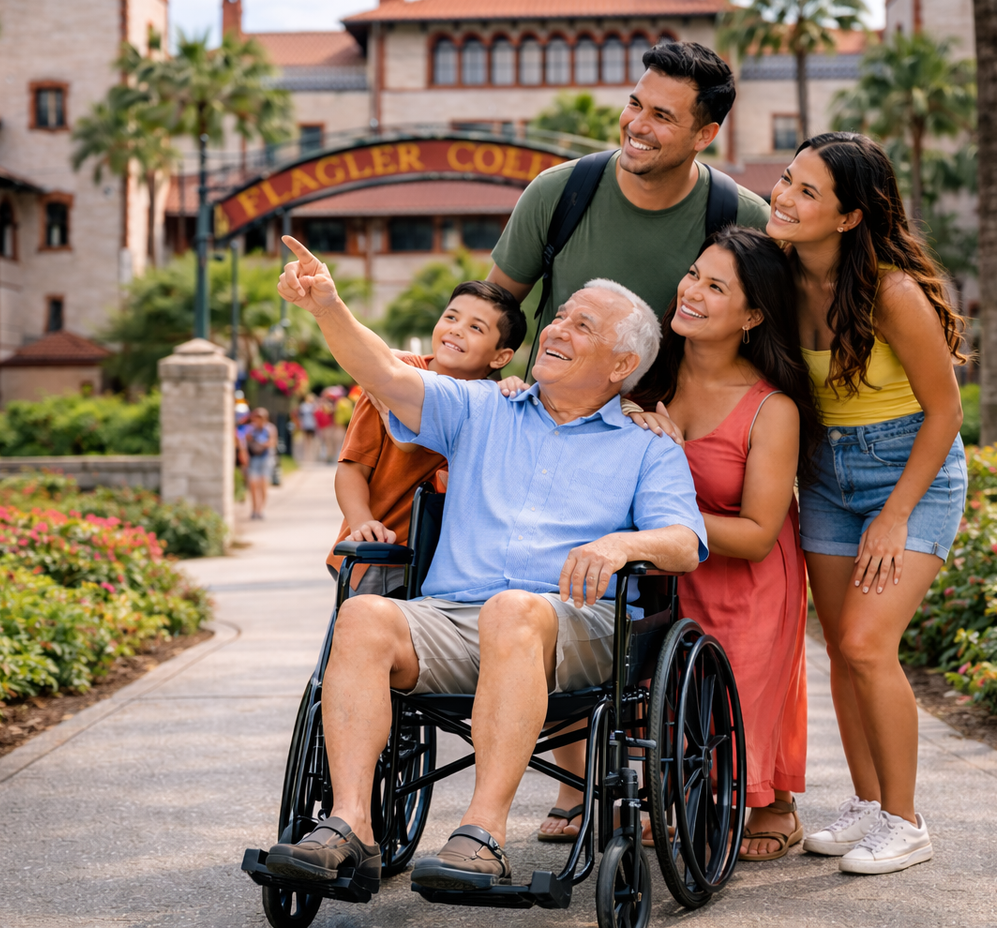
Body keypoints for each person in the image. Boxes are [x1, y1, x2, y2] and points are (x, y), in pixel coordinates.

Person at [263, 236, 706, 896]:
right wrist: (327, 305)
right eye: (559, 317)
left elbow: (684, 540)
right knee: (363, 616)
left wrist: (620, 545)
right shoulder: (483, 408)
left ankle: (482, 834)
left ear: (622, 363)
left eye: (580, 324)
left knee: (514, 610)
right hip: (453, 620)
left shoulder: (646, 444)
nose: (555, 328)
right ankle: (350, 825)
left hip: (573, 628)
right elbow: (384, 373)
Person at [523, 228, 823, 857]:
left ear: (753, 314)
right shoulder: (642, 375)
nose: (691, 292)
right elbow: (563, 415)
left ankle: (772, 804)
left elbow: (758, 533)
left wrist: (669, 472)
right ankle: (676, 792)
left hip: (743, 575)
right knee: (652, 690)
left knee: (731, 700)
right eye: (694, 275)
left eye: (717, 287)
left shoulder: (772, 407)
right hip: (655, 573)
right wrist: (516, 391)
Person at [770, 132, 966, 875]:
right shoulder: (780, 278)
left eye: (807, 191)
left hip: (910, 472)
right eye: (787, 180)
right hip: (824, 475)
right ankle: (866, 803)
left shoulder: (892, 292)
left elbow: (945, 412)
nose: (784, 197)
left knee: (864, 644)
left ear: (850, 216)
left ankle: (906, 820)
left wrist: (895, 514)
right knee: (842, 655)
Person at [486, 42, 770, 328]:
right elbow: (488, 318)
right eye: (635, 104)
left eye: (661, 116)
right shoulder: (557, 192)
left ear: (704, 136)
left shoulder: (745, 218)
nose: (636, 125)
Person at [329, 281, 527, 597]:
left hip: (452, 566)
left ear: (501, 357)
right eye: (451, 317)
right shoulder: (392, 374)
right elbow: (352, 467)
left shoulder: (496, 400)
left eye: (476, 327)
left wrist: (512, 388)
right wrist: (361, 522)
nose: (457, 330)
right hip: (384, 554)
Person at [243, 406, 278, 521]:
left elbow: (273, 442)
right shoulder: (250, 429)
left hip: (265, 458)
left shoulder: (270, 428)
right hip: (254, 459)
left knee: (263, 484)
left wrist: (261, 444)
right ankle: (254, 509)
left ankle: (261, 509)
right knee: (253, 484)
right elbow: (245, 441)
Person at [296, 394, 318, 465]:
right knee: (306, 440)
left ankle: (310, 456)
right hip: (306, 425)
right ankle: (306, 456)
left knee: (310, 441)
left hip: (311, 425)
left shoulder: (313, 406)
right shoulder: (305, 406)